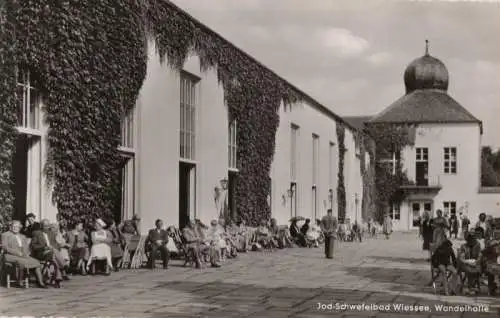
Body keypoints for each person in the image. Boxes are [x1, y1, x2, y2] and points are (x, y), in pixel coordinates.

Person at [1, 220, 47, 288]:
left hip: (22, 255)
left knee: (36, 262)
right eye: (14, 226)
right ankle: (20, 282)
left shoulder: (22, 236)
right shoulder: (5, 235)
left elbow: (26, 247)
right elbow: (5, 247)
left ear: (20, 228)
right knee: (21, 262)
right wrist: (17, 253)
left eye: (17, 227)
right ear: (10, 227)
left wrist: (26, 254)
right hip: (10, 255)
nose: (15, 228)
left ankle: (40, 282)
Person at [30, 219, 67, 283]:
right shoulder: (36, 233)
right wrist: (44, 247)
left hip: (51, 252)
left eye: (48, 226)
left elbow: (57, 245)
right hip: (41, 253)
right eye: (45, 226)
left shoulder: (51, 233)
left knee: (53, 253)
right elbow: (34, 246)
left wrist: (53, 247)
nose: (47, 227)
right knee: (53, 252)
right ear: (41, 226)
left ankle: (58, 276)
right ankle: (62, 266)